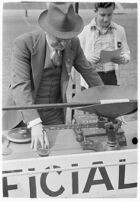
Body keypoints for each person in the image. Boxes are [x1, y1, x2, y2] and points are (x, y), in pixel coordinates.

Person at [3, 3, 103, 151]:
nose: (63, 43)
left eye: (67, 38)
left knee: (57, 152)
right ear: (46, 29)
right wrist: (34, 122)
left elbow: (89, 73)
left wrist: (109, 104)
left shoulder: (73, 43)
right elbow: (20, 86)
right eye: (59, 38)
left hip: (54, 112)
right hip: (23, 115)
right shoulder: (23, 44)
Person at [79, 2, 130, 88]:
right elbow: (77, 58)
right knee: (91, 102)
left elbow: (127, 54)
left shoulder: (120, 30)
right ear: (95, 11)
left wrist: (123, 59)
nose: (106, 19)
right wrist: (87, 60)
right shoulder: (84, 32)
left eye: (109, 15)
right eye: (102, 15)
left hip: (112, 78)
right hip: (90, 78)